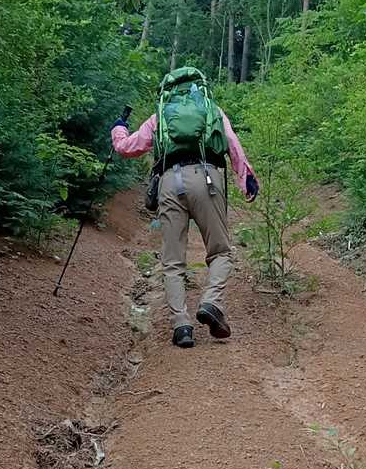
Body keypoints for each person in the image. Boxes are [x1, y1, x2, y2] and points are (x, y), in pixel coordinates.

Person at [111, 67, 259, 348]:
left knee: (172, 261)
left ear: (167, 90)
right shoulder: (212, 110)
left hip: (169, 182)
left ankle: (182, 327)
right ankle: (211, 302)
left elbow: (128, 147)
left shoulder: (161, 115)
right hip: (207, 178)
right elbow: (232, 144)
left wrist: (119, 129)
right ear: (199, 87)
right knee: (221, 251)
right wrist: (246, 179)